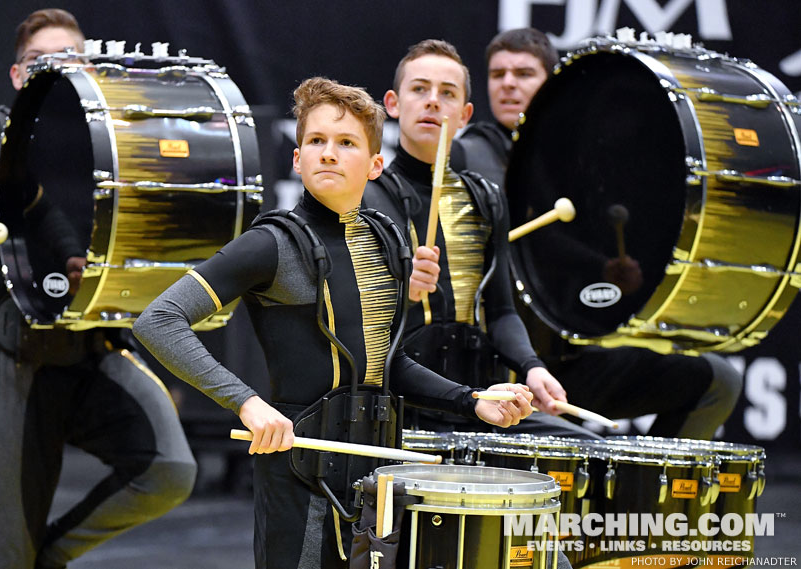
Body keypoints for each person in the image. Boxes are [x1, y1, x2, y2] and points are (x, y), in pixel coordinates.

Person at [133, 76, 533, 569]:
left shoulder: (388, 242)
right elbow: (159, 320)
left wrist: (470, 402)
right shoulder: (271, 244)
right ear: (297, 159)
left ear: (374, 165)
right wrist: (247, 404)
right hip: (300, 470)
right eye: (316, 141)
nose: (328, 153)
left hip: (378, 470)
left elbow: (387, 364)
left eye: (346, 143)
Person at [0, 9, 196, 568]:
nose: (57, 71)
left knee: (170, 470)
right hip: (2, 356)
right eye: (42, 63)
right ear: (17, 77)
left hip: (89, 343)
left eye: (72, 61)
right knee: (1, 557)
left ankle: (49, 557)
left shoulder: (114, 152)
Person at [451, 27, 743, 439]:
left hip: (570, 360)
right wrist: (594, 262)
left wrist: (614, 272)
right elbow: (532, 243)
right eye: (498, 75)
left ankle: (648, 493)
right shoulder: (469, 155)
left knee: (717, 380)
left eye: (523, 73)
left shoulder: (578, 162)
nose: (508, 84)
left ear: (553, 84)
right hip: (504, 372)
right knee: (578, 445)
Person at [363, 39, 598, 441]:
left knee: (585, 451)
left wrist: (532, 366)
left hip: (484, 402)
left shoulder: (485, 198)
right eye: (420, 89)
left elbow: (502, 310)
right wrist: (405, 290)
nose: (433, 102)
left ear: (465, 115)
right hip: (398, 407)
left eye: (448, 94)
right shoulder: (367, 196)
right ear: (393, 104)